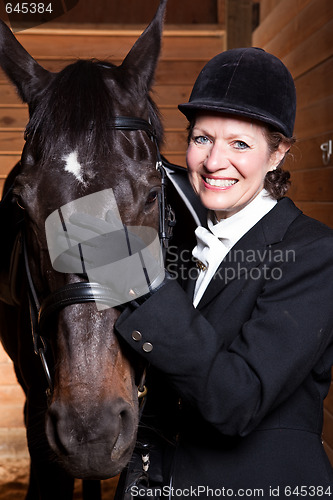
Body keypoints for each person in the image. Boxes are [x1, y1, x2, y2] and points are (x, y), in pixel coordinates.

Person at [113, 47, 333, 498]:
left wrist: (143, 278)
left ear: (278, 154)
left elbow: (237, 401)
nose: (214, 163)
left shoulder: (314, 253)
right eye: (201, 139)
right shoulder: (179, 238)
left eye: (239, 144)